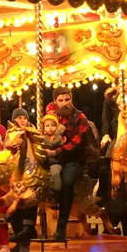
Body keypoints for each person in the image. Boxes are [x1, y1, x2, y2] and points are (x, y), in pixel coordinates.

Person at [44, 86, 89, 242]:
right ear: (56, 102)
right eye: (60, 100)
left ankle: (61, 226)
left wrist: (56, 152)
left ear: (72, 99)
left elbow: (76, 143)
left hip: (73, 158)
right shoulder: (55, 116)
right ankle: (27, 226)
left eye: (67, 100)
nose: (64, 103)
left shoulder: (80, 117)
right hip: (55, 157)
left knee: (67, 182)